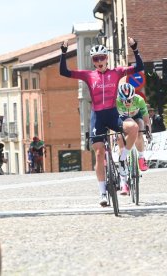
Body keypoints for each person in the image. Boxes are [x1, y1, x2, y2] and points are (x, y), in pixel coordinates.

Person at [60, 37, 143, 206]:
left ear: (107, 58)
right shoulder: (88, 75)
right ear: (93, 61)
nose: (99, 61)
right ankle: (102, 193)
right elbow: (64, 72)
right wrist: (63, 52)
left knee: (133, 127)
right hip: (97, 117)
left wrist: (135, 48)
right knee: (98, 153)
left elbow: (140, 67)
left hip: (113, 115)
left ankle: (123, 158)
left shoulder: (117, 72)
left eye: (102, 57)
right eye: (95, 59)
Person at [116, 83, 151, 179]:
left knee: (139, 131)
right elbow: (113, 120)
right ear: (120, 98)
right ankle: (123, 163)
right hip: (122, 119)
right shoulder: (116, 102)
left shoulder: (139, 100)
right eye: (124, 100)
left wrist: (148, 132)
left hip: (136, 117)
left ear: (133, 97)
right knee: (119, 139)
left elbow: (146, 119)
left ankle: (141, 157)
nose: (127, 102)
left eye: (129, 100)